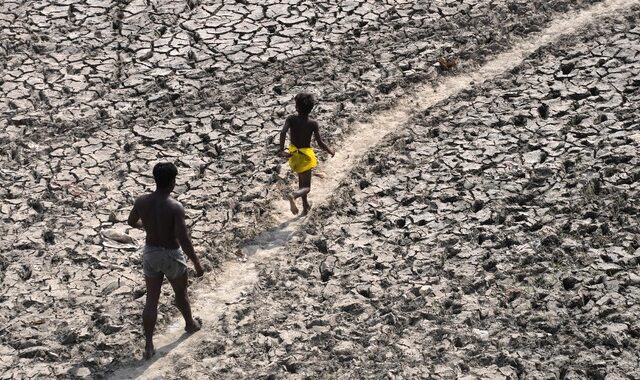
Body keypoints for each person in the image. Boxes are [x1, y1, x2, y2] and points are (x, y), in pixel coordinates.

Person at [127, 162, 204, 360]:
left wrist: (148, 227)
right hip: (171, 254)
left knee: (151, 300)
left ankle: (149, 345)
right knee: (180, 293)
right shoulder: (175, 206)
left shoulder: (141, 201)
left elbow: (131, 222)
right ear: (172, 182)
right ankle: (189, 323)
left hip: (151, 253)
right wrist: (196, 262)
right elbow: (183, 239)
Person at [279, 92, 334, 215]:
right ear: (311, 108)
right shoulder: (312, 123)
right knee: (307, 187)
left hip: (294, 154)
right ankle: (294, 195)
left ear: (296, 107)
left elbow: (283, 132)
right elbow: (320, 143)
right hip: (305, 156)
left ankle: (305, 206)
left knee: (301, 180)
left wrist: (281, 150)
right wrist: (330, 151)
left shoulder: (291, 119)